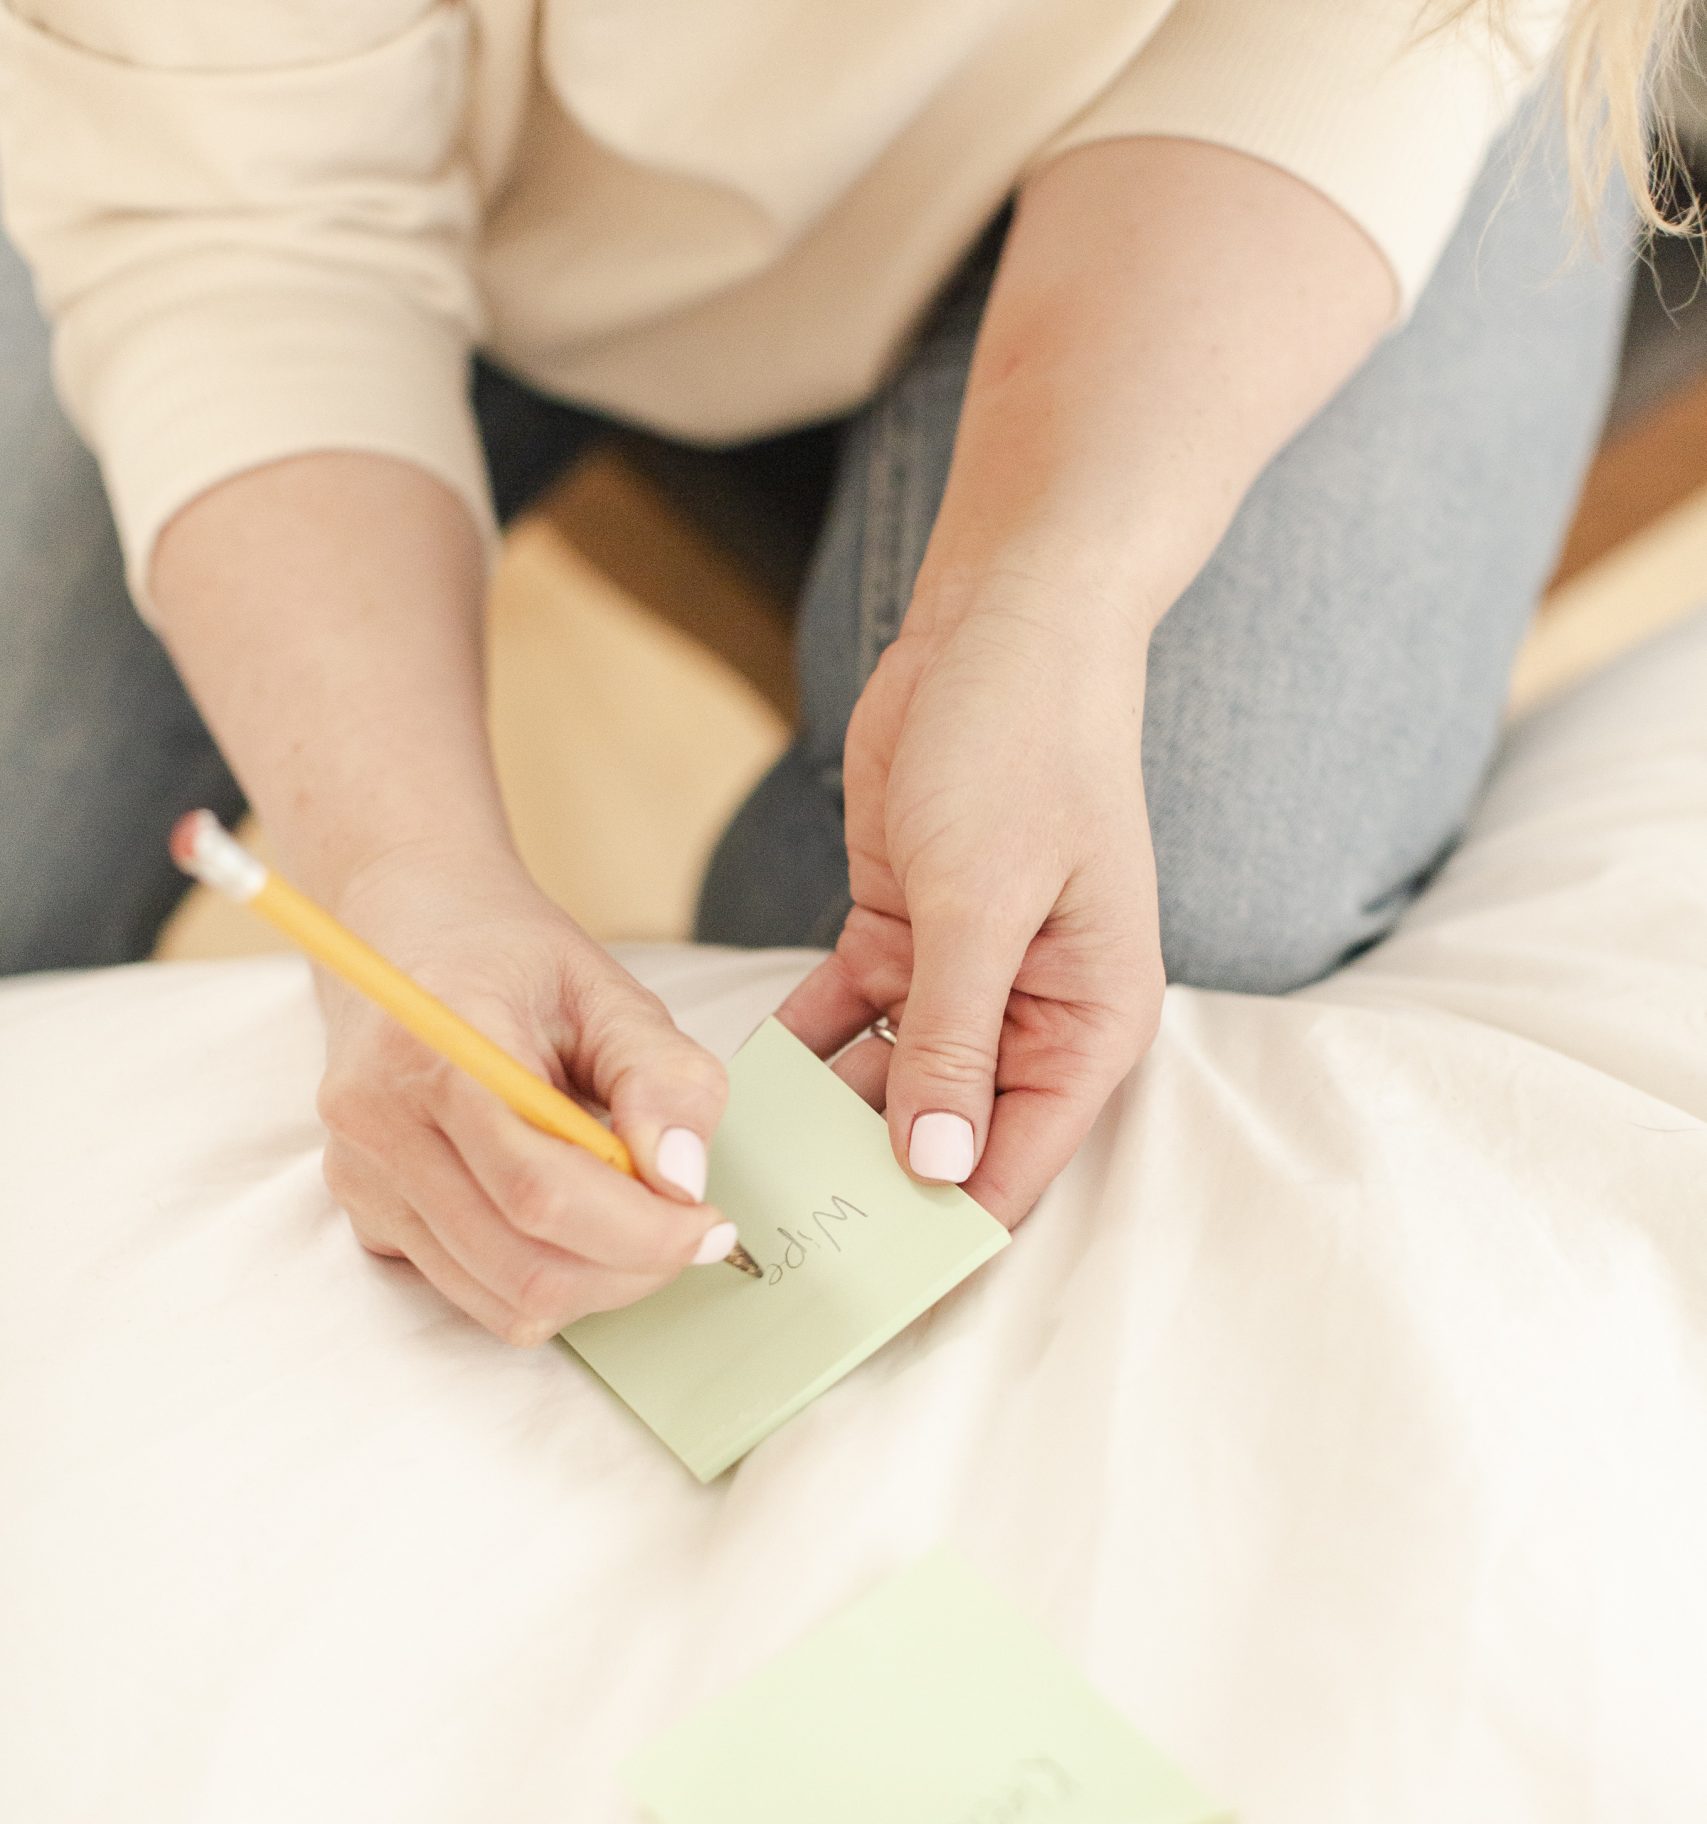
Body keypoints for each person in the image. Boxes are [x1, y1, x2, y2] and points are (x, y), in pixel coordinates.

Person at [0, 3, 1685, 1340]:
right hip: (332, 135)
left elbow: (1331, 31)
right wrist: (395, 868)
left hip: (1284, 82)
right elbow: (234, 236)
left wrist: (1042, 602)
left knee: (1095, 931)